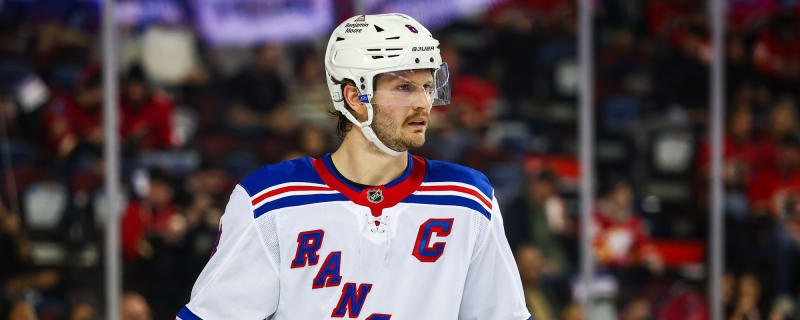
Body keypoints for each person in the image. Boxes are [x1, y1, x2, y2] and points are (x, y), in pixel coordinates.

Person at [177, 13, 531, 319]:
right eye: (404, 88)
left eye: (426, 86)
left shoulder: (469, 199)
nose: (424, 102)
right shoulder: (270, 200)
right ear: (354, 97)